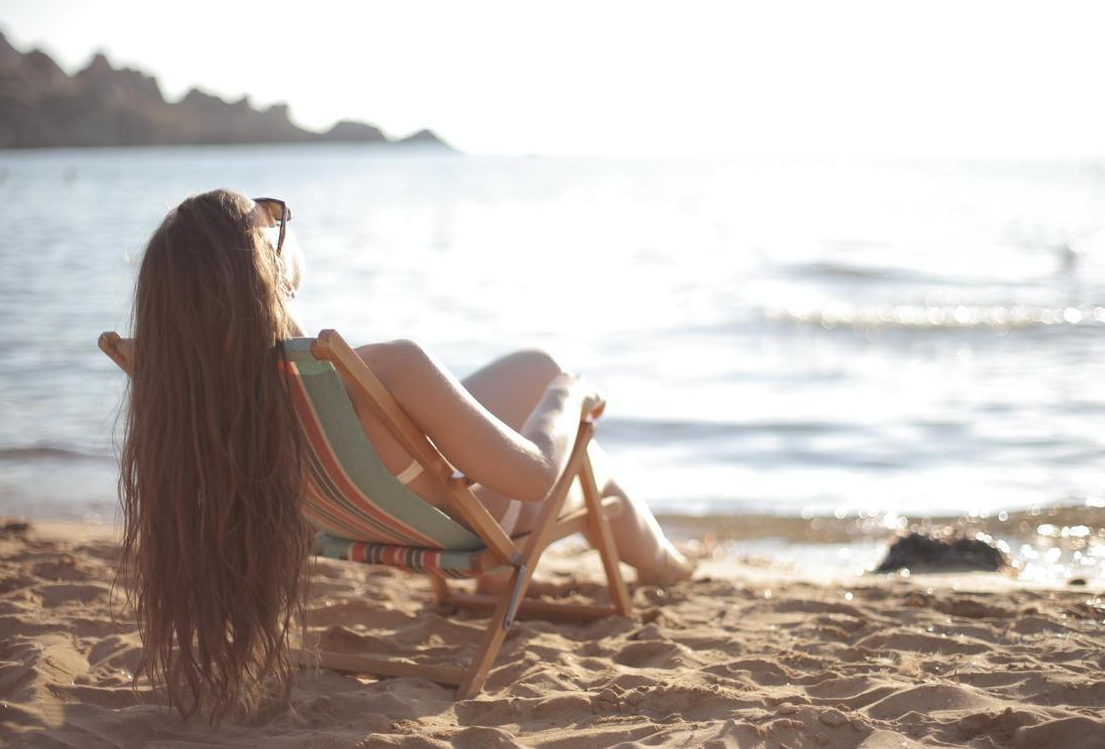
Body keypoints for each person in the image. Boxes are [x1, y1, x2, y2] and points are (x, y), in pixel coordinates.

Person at [117, 189, 692, 722]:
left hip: (371, 515)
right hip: (469, 525)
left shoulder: (197, 390)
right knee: (591, 466)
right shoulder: (386, 367)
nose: (282, 221)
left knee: (531, 367)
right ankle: (669, 567)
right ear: (266, 269)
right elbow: (536, 476)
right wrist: (571, 394)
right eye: (272, 218)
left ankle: (618, 564)